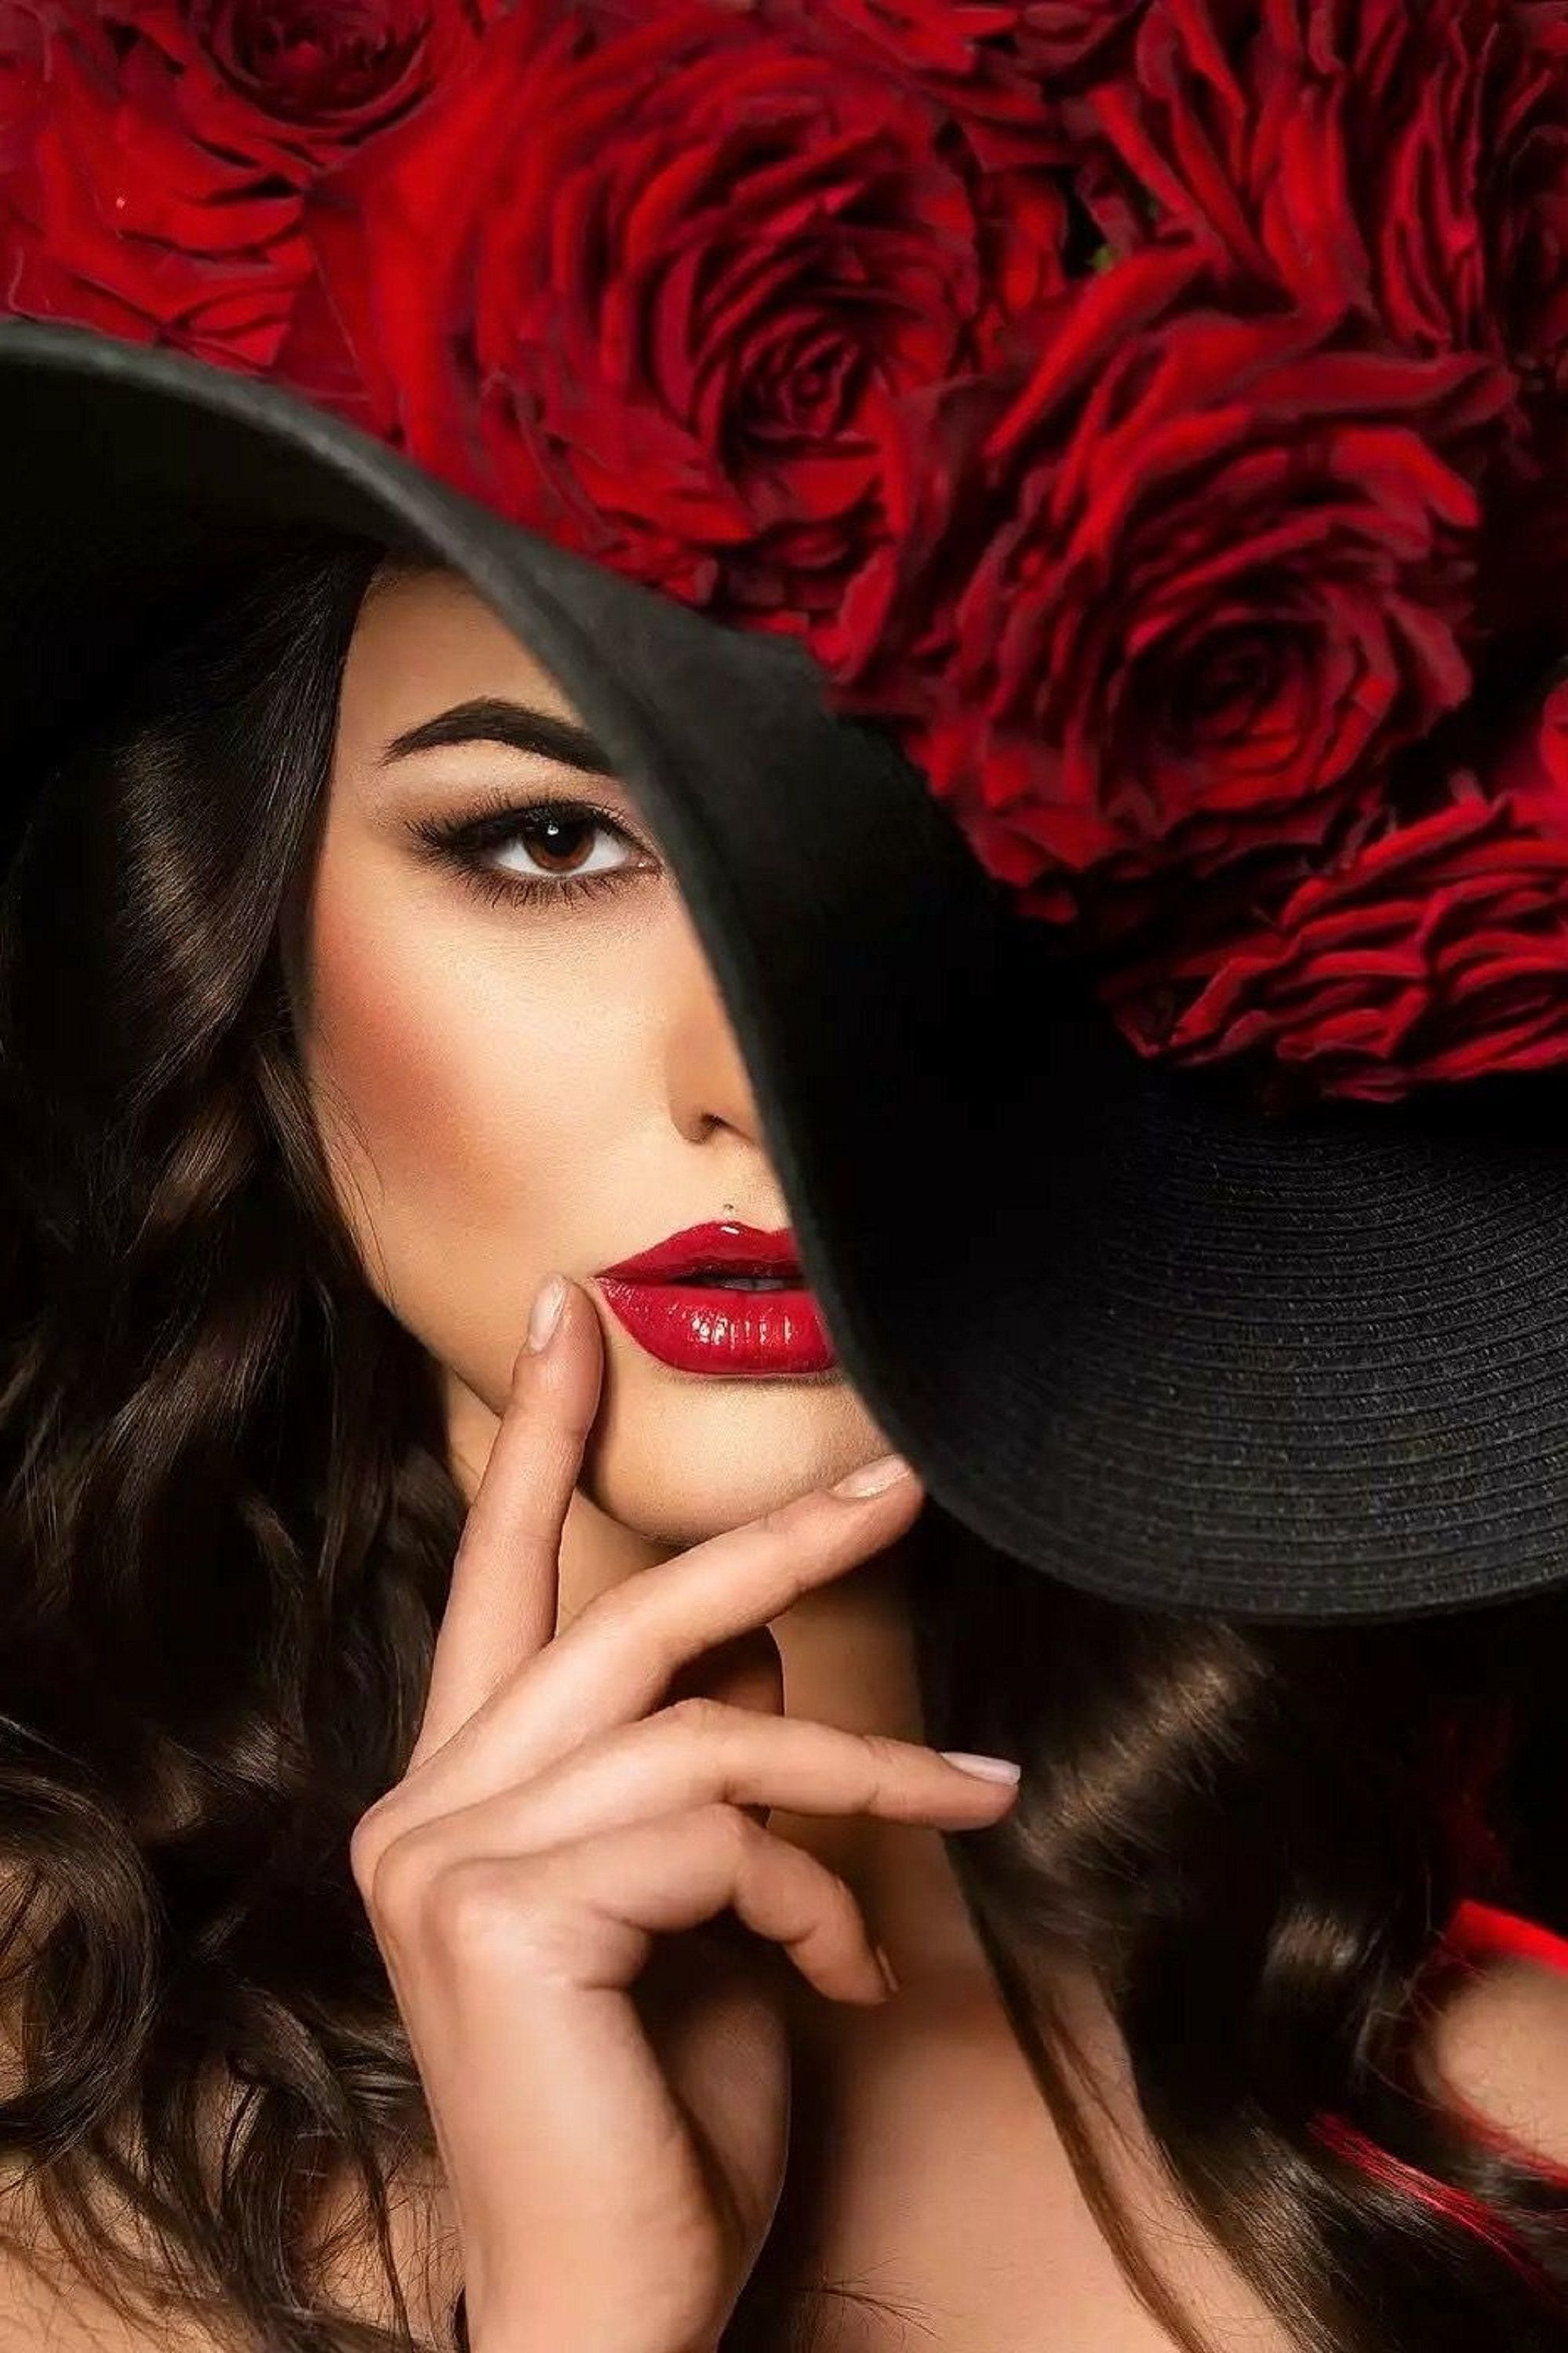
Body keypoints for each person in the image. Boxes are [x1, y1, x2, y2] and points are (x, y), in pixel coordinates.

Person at [4, 6, 1568, 2352]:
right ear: (230, 930)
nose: (752, 1084)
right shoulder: (40, 2106)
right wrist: (588, 2310)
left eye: (904, 871)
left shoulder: (1499, 2127)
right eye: (550, 845)